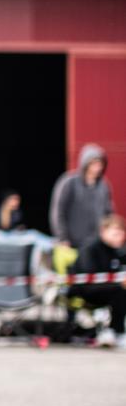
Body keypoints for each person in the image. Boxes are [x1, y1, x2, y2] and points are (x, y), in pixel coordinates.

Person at [74, 212, 126, 350]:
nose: (120, 237)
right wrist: (118, 283)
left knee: (120, 290)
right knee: (120, 291)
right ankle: (116, 331)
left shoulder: (118, 251)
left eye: (122, 233)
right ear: (104, 231)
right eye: (116, 233)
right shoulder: (90, 249)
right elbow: (88, 278)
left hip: (109, 288)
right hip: (86, 290)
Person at [50, 145, 113, 251]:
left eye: (100, 163)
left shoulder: (103, 186)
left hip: (95, 242)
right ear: (85, 163)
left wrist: (108, 235)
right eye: (94, 163)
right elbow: (58, 211)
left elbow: (108, 213)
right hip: (71, 242)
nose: (98, 167)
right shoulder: (69, 182)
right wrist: (62, 237)